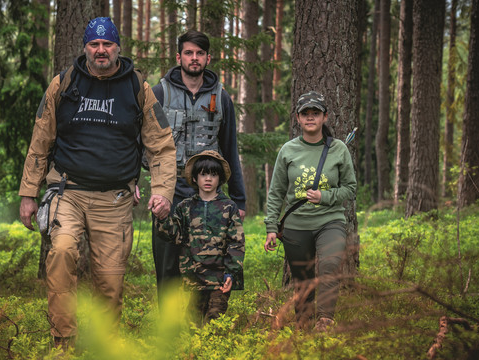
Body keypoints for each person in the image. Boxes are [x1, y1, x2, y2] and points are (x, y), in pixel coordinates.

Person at [18, 17, 175, 348]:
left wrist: (162, 192)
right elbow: (40, 141)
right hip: (67, 191)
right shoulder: (63, 84)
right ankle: (63, 341)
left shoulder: (138, 88)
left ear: (117, 46)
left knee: (110, 280)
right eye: (94, 44)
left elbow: (160, 145)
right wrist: (28, 194)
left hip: (114, 199)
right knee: (60, 253)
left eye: (107, 44)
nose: (100, 50)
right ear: (85, 46)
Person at [148, 30, 246, 304]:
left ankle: (202, 327)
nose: (194, 58)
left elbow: (230, 147)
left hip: (209, 195)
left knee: (208, 265)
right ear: (179, 57)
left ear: (208, 58)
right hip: (170, 192)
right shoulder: (159, 93)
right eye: (189, 53)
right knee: (168, 266)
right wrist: (138, 180)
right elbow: (141, 141)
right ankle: (169, 328)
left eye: (199, 53)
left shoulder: (221, 97)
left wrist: (238, 198)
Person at [263, 91, 356, 332]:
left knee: (330, 264)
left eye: (316, 113)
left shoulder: (338, 149)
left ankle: (325, 321)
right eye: (306, 113)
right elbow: (276, 192)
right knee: (302, 280)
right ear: (298, 118)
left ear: (325, 117)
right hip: (296, 225)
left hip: (330, 221)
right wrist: (271, 227)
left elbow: (350, 188)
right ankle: (303, 324)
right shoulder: (288, 150)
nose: (311, 117)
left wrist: (325, 196)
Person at [154, 150, 245, 325]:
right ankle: (193, 353)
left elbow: (237, 243)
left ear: (220, 178)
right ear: (195, 178)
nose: (208, 179)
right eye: (203, 174)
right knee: (192, 323)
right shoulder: (185, 207)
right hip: (195, 276)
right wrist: (162, 218)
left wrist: (231, 273)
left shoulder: (229, 207)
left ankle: (215, 351)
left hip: (220, 278)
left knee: (214, 320)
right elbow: (174, 235)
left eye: (213, 174)